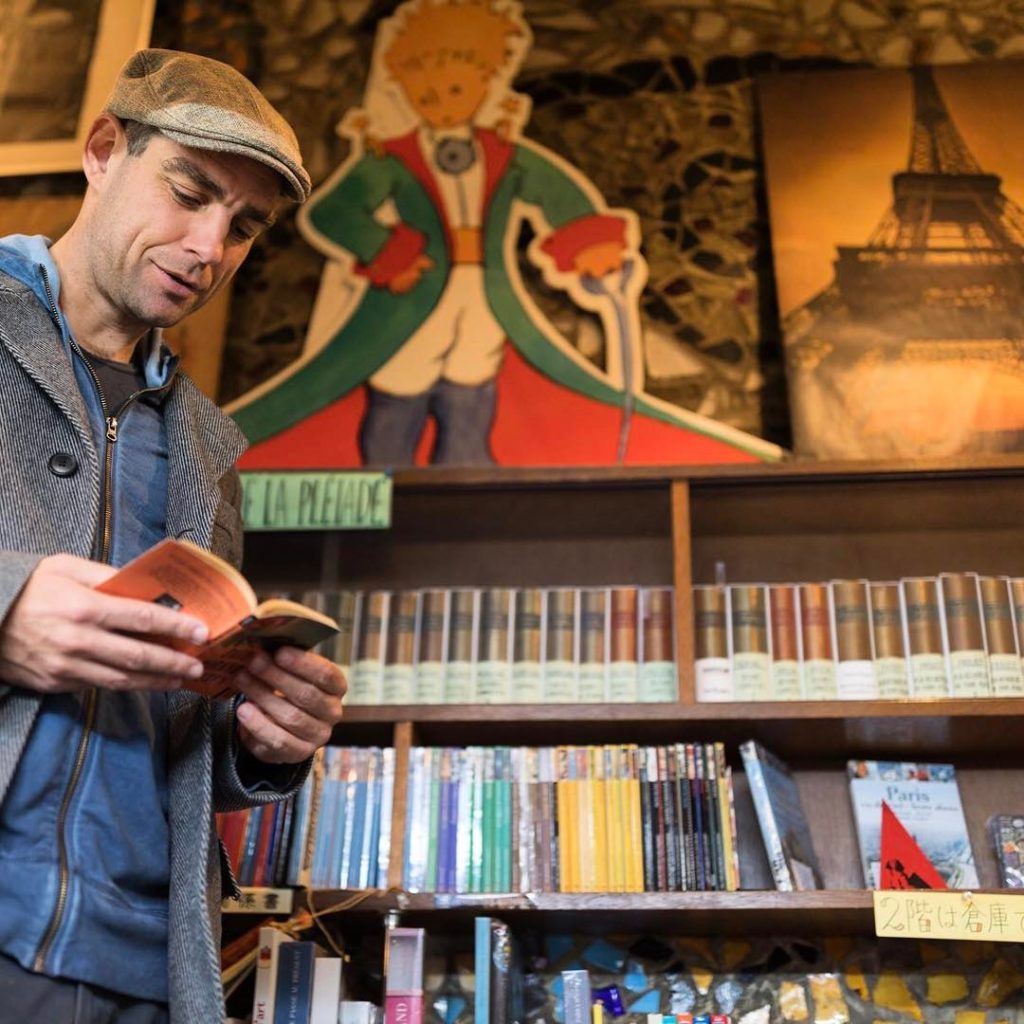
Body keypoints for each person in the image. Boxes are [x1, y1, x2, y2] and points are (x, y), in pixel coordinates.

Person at [0, 49, 344, 1024]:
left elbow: (173, 712)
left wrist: (262, 738)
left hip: (151, 965)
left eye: (243, 226)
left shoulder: (206, 445)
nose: (210, 245)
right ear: (104, 150)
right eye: (189, 194)